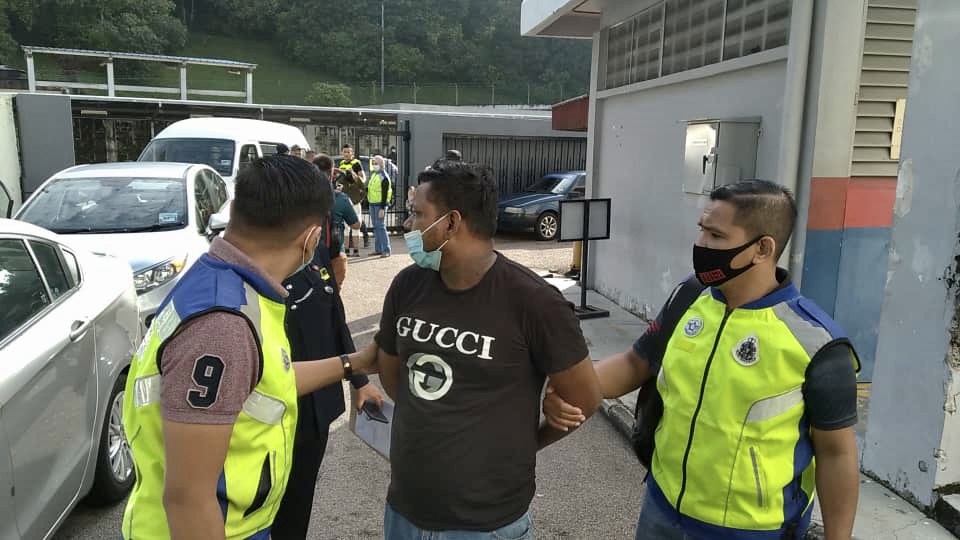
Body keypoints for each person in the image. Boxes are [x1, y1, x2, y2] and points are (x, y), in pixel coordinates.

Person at [544, 180, 860, 540]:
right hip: (661, 508)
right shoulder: (690, 296)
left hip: (752, 532)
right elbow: (637, 363)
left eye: (715, 235)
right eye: (701, 231)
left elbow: (837, 455)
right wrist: (568, 386)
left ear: (762, 248)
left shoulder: (816, 342)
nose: (701, 244)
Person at [120, 155, 378, 540]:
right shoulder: (222, 326)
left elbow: (264, 381)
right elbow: (189, 499)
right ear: (311, 238)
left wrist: (354, 362)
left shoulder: (225, 281)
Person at [372, 160, 602, 539]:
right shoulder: (408, 285)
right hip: (405, 510)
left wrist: (531, 441)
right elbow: (397, 379)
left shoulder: (534, 302)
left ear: (451, 223)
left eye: (417, 214)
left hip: (487, 524)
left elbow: (585, 398)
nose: (408, 226)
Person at [272, 164, 384, 540]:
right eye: (319, 218)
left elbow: (335, 316)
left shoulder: (313, 252)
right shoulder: (259, 272)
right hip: (276, 416)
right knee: (270, 510)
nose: (324, 227)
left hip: (317, 412)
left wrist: (360, 381)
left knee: (299, 504)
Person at [316, 154, 361, 287]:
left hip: (310, 257)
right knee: (334, 291)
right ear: (331, 174)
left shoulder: (303, 197)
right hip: (335, 254)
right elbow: (356, 225)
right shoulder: (340, 198)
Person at [339, 144, 366, 257]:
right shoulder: (341, 164)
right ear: (342, 153)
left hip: (354, 199)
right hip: (344, 197)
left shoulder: (356, 163)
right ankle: (346, 250)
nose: (346, 154)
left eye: (348, 152)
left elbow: (363, 179)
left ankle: (356, 250)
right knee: (345, 226)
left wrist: (354, 177)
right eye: (345, 152)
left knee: (356, 224)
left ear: (352, 153)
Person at [367, 154, 393, 258]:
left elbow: (385, 193)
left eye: (376, 163)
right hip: (372, 204)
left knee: (381, 227)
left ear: (381, 164)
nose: (374, 165)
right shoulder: (374, 174)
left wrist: (382, 208)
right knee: (376, 227)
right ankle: (378, 250)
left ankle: (386, 250)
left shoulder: (384, 176)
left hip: (379, 205)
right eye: (373, 163)